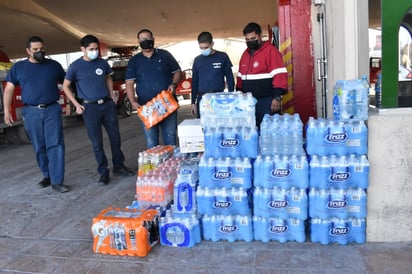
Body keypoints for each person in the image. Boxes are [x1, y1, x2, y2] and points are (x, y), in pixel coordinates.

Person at [62, 34, 134, 186]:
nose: (94, 51)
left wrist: (111, 94)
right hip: (89, 108)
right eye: (91, 49)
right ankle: (103, 172)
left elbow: (108, 77)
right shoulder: (75, 66)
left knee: (115, 138)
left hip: (107, 105)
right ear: (83, 49)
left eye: (96, 49)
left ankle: (119, 166)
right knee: (97, 142)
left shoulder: (102, 63)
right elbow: (66, 86)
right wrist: (76, 104)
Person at [3, 36, 70, 193]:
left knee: (56, 145)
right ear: (28, 51)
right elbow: (9, 89)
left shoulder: (54, 66)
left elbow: (66, 85)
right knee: (39, 146)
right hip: (31, 111)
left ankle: (57, 181)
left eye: (42, 49)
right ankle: (47, 175)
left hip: (52, 109)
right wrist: (7, 110)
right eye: (35, 50)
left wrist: (68, 103)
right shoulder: (18, 68)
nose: (40, 52)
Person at [125, 29, 182, 148]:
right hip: (147, 107)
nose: (145, 41)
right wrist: (132, 101)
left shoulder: (165, 55)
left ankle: (170, 166)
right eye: (142, 39)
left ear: (153, 39)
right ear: (138, 42)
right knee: (151, 142)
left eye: (147, 38)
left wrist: (173, 84)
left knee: (170, 139)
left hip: (167, 104)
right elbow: (129, 83)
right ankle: (156, 167)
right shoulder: (134, 61)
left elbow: (177, 72)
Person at [236, 22, 288, 126]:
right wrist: (239, 94)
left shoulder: (270, 51)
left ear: (260, 36)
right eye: (247, 39)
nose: (250, 42)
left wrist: (277, 97)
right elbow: (240, 77)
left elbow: (279, 75)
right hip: (249, 103)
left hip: (267, 101)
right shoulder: (245, 55)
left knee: (269, 131)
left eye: (253, 38)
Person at [190, 31, 235, 118]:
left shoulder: (222, 57)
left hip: (219, 98)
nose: (203, 50)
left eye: (206, 47)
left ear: (212, 44)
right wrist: (192, 102)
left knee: (219, 125)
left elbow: (230, 78)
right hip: (203, 99)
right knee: (203, 126)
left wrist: (231, 96)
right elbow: (194, 82)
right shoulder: (197, 60)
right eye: (201, 48)